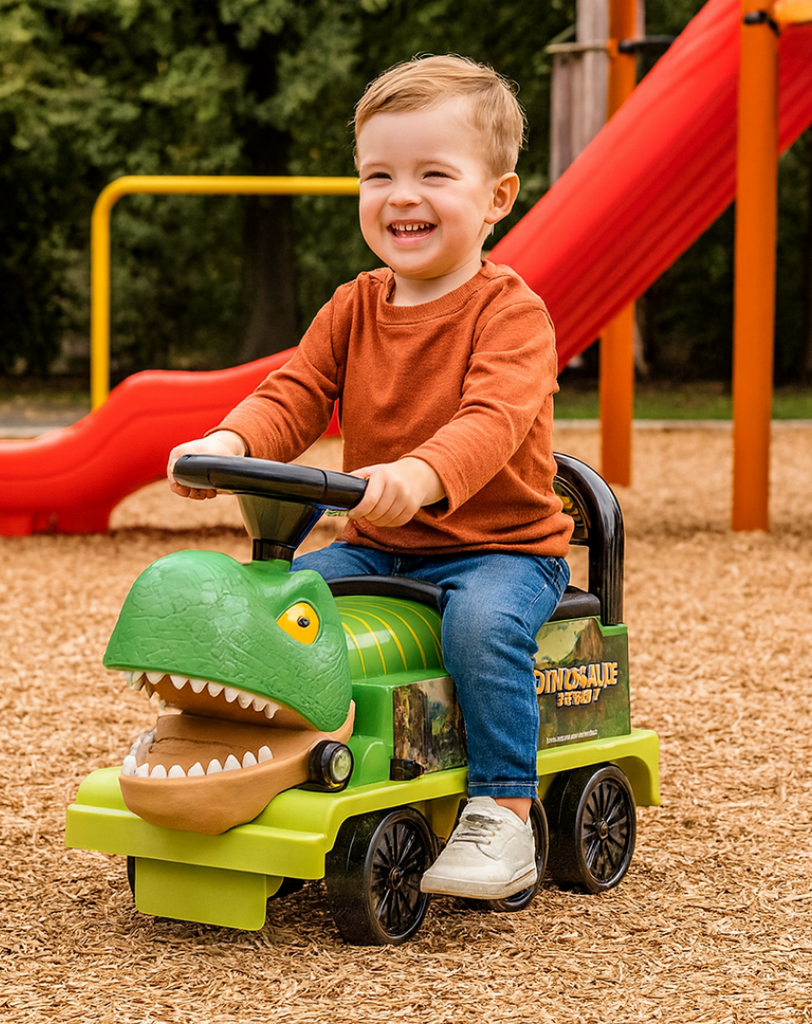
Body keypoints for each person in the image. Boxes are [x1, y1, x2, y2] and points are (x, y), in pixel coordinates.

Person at [167, 53, 573, 900]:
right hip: (380, 545)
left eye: (433, 173)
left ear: (497, 198)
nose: (401, 195)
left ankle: (503, 811)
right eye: (378, 174)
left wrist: (423, 473)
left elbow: (491, 422)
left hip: (497, 549)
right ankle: (281, 764)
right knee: (272, 608)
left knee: (480, 630)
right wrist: (234, 441)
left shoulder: (513, 314)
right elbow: (297, 392)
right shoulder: (354, 306)